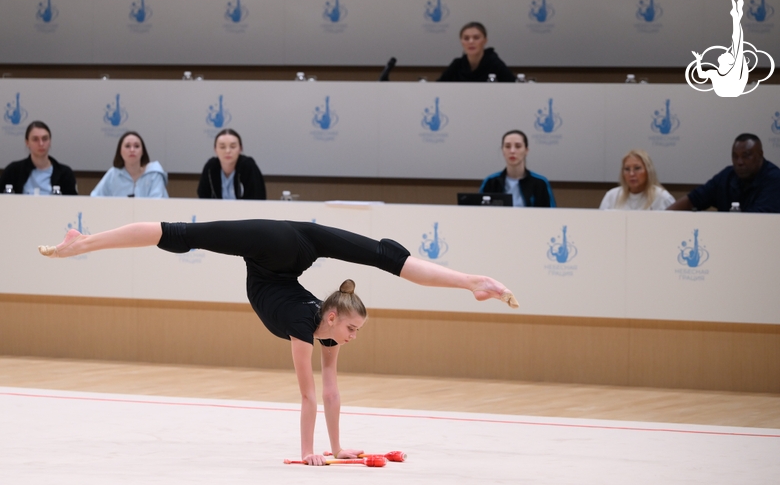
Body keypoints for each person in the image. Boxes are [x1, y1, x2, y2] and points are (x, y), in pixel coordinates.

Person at [37, 219, 518, 465]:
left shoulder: (327, 327)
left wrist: (336, 449)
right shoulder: (306, 326)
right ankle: (83, 243)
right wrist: (310, 453)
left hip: (286, 259)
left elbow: (331, 391)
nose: (352, 338)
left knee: (381, 255)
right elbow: (307, 393)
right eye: (352, 329)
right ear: (333, 318)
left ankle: (473, 281)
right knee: (181, 234)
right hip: (277, 248)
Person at [667, 133, 780, 213]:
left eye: (746, 156)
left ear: (760, 155)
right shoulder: (727, 176)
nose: (739, 162)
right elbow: (694, 199)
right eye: (735, 157)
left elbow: (756, 220)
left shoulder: (775, 179)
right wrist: (664, 218)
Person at [479, 130, 555, 207]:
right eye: (507, 146)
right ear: (503, 151)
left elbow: (551, 214)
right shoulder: (491, 181)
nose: (512, 151)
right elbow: (479, 212)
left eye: (518, 146)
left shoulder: (540, 182)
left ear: (526, 150)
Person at [0, 121, 77, 195]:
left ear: (50, 141)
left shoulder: (65, 173)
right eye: (35, 139)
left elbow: (73, 204)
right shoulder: (13, 171)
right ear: (27, 143)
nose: (41, 143)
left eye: (45, 139)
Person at [90, 131, 168, 198]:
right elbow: (94, 199)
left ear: (142, 151)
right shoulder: (113, 174)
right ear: (120, 151)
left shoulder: (154, 174)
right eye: (127, 146)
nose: (132, 150)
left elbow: (157, 204)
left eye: (136, 146)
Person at [197, 129, 266, 200]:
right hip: (216, 210)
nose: (227, 151)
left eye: (233, 147)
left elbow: (257, 196)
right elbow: (203, 196)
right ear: (215, 150)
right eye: (222, 147)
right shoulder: (210, 168)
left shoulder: (248, 166)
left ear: (240, 149)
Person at [438, 22, 515, 82]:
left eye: (476, 37)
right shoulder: (457, 65)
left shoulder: (495, 64)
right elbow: (438, 87)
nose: (471, 41)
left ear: (485, 41)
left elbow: (514, 86)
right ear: (461, 42)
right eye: (466, 38)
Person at [599, 149, 675, 210]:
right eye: (627, 169)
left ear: (648, 171)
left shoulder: (662, 197)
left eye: (637, 168)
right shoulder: (612, 196)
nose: (631, 174)